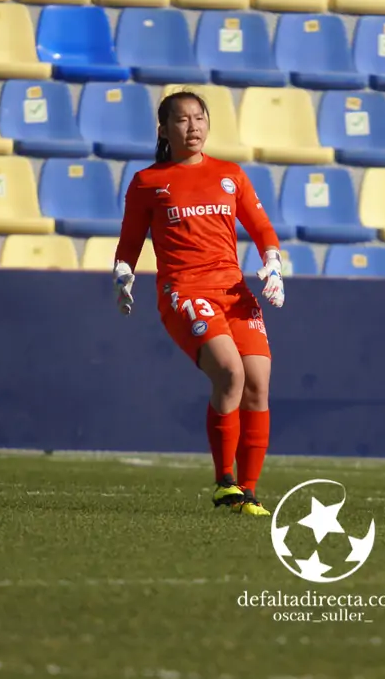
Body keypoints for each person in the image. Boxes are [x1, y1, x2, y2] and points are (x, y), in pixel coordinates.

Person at [112, 90, 285, 517]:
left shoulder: (230, 175)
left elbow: (262, 228)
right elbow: (130, 241)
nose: (193, 127)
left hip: (233, 290)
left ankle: (248, 493)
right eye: (183, 119)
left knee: (258, 381)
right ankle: (225, 481)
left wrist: (273, 264)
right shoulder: (148, 182)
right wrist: (123, 274)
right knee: (230, 371)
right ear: (164, 130)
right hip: (185, 290)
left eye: (200, 118)